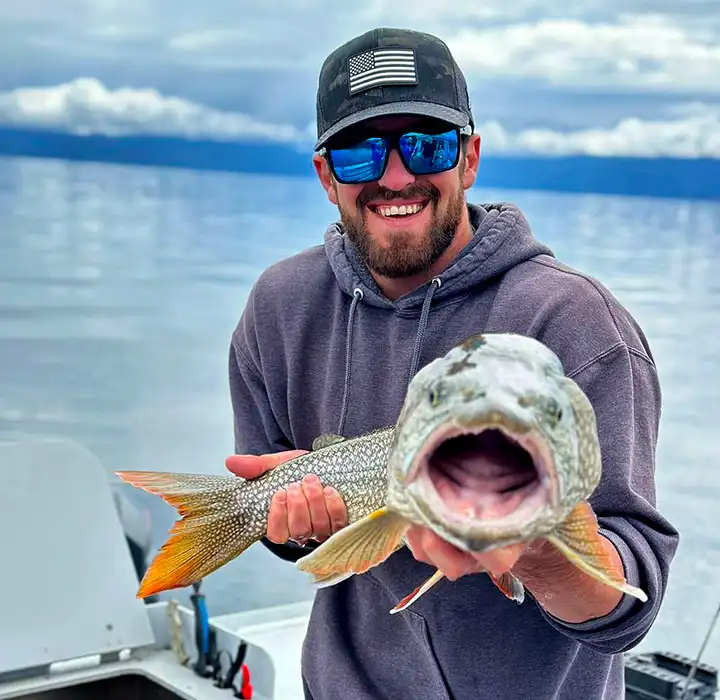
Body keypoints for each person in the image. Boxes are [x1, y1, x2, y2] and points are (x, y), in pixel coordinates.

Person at [225, 27, 679, 700]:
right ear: (326, 176)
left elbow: (627, 609)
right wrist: (292, 526)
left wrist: (537, 550)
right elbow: (289, 533)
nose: (396, 176)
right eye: (359, 153)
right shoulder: (279, 306)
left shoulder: (580, 325)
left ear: (468, 159)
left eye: (426, 144)